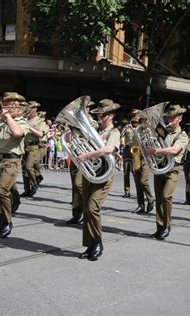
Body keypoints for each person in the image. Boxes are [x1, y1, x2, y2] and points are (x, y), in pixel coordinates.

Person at [77, 99, 120, 261]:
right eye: (100, 114)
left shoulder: (114, 132)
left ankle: (98, 241)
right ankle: (90, 245)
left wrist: (87, 155)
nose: (100, 117)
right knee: (86, 210)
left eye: (104, 114)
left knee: (92, 207)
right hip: (90, 173)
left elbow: (109, 149)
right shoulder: (93, 129)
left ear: (112, 115)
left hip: (105, 173)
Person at [0, 92, 28, 239]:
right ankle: (0, 226)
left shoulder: (21, 121)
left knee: (2, 189)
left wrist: (8, 117)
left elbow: (17, 132)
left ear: (19, 107)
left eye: (14, 104)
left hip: (12, 160)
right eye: (8, 103)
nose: (10, 106)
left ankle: (8, 222)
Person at [145, 103, 188, 240]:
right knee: (159, 198)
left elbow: (174, 150)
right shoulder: (163, 131)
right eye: (168, 117)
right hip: (160, 167)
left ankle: (167, 225)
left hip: (173, 169)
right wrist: (148, 133)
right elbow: (151, 140)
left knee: (166, 196)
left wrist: (156, 150)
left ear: (180, 118)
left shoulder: (183, 135)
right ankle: (160, 227)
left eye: (173, 117)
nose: (170, 120)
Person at [66, 101, 95, 225]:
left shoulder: (92, 122)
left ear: (88, 109)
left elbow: (89, 134)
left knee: (79, 185)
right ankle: (76, 213)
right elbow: (68, 138)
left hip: (86, 156)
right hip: (75, 154)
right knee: (75, 186)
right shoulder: (74, 122)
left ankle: (85, 211)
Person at [21, 101, 48, 197]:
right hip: (24, 146)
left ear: (36, 109)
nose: (29, 110)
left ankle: (34, 183)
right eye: (29, 108)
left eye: (32, 108)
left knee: (28, 166)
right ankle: (27, 189)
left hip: (34, 147)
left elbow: (41, 134)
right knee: (24, 169)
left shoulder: (39, 121)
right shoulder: (25, 119)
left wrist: (29, 128)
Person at [130, 113, 155, 214]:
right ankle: (140, 205)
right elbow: (134, 145)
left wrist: (149, 136)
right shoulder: (137, 130)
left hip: (147, 158)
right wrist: (134, 156)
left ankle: (150, 199)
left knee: (143, 181)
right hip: (137, 156)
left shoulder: (152, 131)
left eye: (146, 120)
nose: (145, 122)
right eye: (143, 120)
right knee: (137, 182)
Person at [121, 109, 139, 198]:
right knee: (126, 171)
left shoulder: (140, 127)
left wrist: (133, 129)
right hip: (127, 149)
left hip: (136, 149)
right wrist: (125, 129)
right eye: (132, 116)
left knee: (135, 172)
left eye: (135, 115)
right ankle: (127, 191)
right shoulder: (127, 126)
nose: (134, 117)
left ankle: (139, 191)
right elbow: (121, 136)